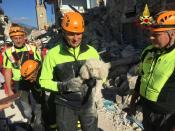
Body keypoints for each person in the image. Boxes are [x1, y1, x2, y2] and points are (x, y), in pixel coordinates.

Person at [39, 11, 100, 131]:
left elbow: (100, 75)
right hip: (64, 104)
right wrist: (64, 86)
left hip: (88, 102)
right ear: (63, 32)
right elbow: (43, 81)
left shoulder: (91, 52)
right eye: (71, 34)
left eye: (79, 34)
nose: (76, 38)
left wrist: (96, 79)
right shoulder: (53, 54)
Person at [130, 10, 175, 131]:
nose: (151, 37)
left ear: (173, 34)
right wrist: (133, 102)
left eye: (156, 34)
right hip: (147, 110)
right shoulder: (148, 51)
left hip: (167, 117)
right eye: (150, 33)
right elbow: (141, 77)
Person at [3, 23, 43, 130]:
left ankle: (38, 122)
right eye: (15, 38)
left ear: (24, 37)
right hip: (19, 82)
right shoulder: (8, 53)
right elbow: (7, 71)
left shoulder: (33, 48)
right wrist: (10, 90)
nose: (18, 40)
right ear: (11, 38)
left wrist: (36, 74)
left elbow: (40, 63)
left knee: (38, 103)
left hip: (34, 80)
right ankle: (30, 119)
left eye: (20, 37)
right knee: (26, 108)